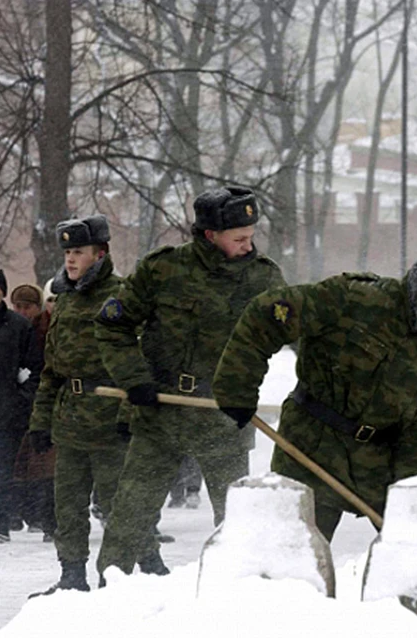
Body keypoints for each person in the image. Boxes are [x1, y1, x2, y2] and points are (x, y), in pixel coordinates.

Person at [212, 250, 417, 540]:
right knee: (291, 555)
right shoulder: (357, 300)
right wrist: (237, 387)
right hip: (311, 448)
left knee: (416, 554)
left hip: (380, 463)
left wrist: (416, 500)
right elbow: (268, 315)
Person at [94, 186, 286, 581]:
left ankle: (243, 601)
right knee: (128, 521)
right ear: (209, 235)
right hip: (160, 415)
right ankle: (109, 602)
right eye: (239, 239)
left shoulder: (262, 277)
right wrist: (135, 379)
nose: (248, 247)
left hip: (223, 418)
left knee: (240, 526)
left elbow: (292, 336)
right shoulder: (162, 269)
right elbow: (113, 326)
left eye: (251, 237)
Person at [27, 216, 127, 595]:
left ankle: (116, 578)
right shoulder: (64, 299)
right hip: (69, 421)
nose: (70, 260)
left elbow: (139, 362)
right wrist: (40, 421)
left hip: (109, 422)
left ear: (99, 254)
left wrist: (131, 415)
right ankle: (71, 576)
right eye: (67, 252)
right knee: (67, 507)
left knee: (116, 505)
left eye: (79, 252)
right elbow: (52, 368)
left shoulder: (121, 295)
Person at [0, 267, 43, 543]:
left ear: (3, 293)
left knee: (1, 472)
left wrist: (22, 401)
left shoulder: (19, 327)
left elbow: (35, 369)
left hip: (8, 417)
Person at [10, 283, 57, 539]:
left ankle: (43, 517)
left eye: (28, 306)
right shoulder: (14, 329)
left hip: (42, 403)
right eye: (18, 306)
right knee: (21, 464)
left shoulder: (44, 330)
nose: (22, 311)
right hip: (18, 406)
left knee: (44, 465)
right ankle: (22, 513)